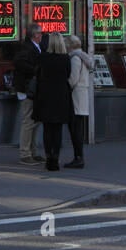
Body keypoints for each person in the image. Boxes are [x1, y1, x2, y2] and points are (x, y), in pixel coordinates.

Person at [33, 34, 73, 172]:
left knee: (47, 129)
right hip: (61, 96)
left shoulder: (43, 57)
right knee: (57, 129)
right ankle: (55, 159)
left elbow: (37, 75)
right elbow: (68, 75)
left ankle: (48, 157)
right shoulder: (66, 58)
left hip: (45, 95)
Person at [13, 22, 45, 164]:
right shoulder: (27, 47)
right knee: (29, 120)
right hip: (27, 88)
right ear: (35, 35)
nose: (42, 35)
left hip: (32, 88)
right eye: (40, 33)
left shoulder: (36, 47)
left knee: (35, 120)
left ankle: (32, 150)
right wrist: (34, 71)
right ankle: (25, 152)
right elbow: (18, 62)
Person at [64, 35, 93, 169]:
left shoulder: (75, 59)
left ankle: (78, 157)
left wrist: (64, 85)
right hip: (82, 96)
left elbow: (73, 80)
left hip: (75, 96)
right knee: (78, 128)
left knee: (75, 129)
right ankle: (79, 157)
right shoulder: (83, 57)